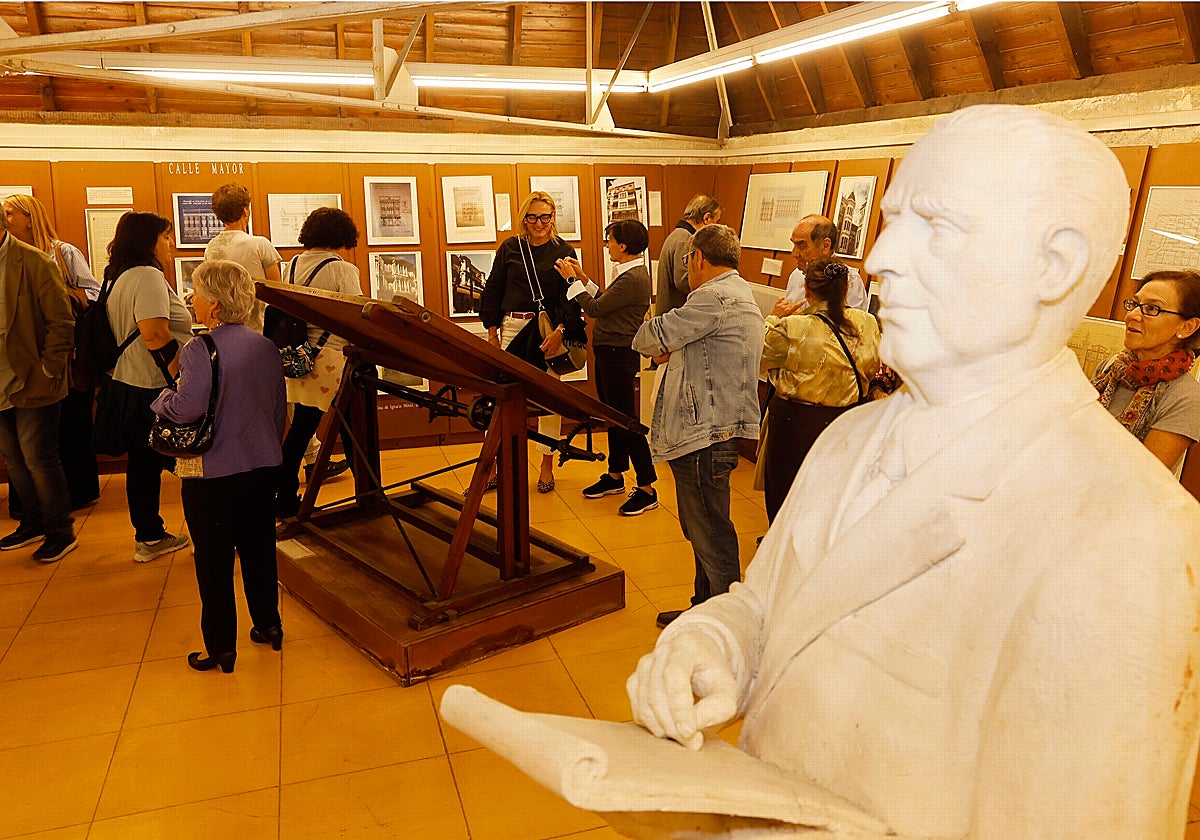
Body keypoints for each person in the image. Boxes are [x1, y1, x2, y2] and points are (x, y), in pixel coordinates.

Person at [625, 105, 1200, 840]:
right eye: (893, 222)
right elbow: (768, 605)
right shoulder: (848, 439)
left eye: (936, 225)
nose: (883, 259)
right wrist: (713, 644)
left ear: (1052, 266)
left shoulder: (1128, 535)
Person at [151, 260, 286, 674]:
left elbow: (188, 407)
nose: (192, 299)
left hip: (214, 472)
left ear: (213, 304)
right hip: (263, 465)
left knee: (213, 561)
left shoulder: (198, 349)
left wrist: (160, 401)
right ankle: (269, 626)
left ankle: (221, 650)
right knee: (259, 550)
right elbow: (279, 411)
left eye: (196, 292)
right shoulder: (265, 346)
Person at [631, 224, 762, 629]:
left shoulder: (712, 298)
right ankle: (704, 611)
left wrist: (662, 331)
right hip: (712, 430)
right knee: (704, 526)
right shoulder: (736, 294)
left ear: (699, 258)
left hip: (705, 434)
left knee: (709, 530)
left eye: (688, 259)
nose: (687, 267)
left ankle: (726, 627)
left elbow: (646, 339)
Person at [759, 256, 880, 523]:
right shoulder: (867, 324)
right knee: (831, 501)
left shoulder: (792, 327)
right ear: (846, 289)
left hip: (796, 427)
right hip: (846, 423)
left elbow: (757, 358)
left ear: (806, 290)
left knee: (787, 499)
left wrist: (771, 319)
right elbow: (872, 367)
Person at [102, 211, 193, 563]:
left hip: (129, 381)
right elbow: (155, 334)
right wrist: (181, 379)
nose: (169, 243)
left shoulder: (119, 274)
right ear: (149, 240)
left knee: (144, 462)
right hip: (153, 385)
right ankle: (195, 530)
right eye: (165, 236)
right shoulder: (148, 276)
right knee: (187, 456)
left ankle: (150, 535)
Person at [478, 191, 583, 493]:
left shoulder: (563, 250)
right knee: (499, 397)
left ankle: (546, 463)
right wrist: (492, 330)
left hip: (547, 330)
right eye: (533, 216)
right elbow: (494, 287)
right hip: (512, 325)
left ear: (553, 218)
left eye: (545, 216)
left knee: (548, 397)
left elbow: (571, 294)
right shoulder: (511, 247)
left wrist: (561, 331)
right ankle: (493, 465)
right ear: (524, 217)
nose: (539, 223)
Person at [3, 193, 102, 510]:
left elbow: (94, 293)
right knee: (26, 445)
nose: (7, 219)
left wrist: (55, 291)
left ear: (30, 217)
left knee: (69, 431)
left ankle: (70, 501)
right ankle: (36, 509)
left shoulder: (61, 253)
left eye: (10, 213)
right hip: (21, 361)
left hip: (64, 360)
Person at [557, 219, 658, 516]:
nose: (608, 245)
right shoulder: (628, 273)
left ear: (623, 245)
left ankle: (647, 488)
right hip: (609, 352)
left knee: (625, 419)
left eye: (610, 240)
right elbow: (605, 300)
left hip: (618, 354)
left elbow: (595, 309)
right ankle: (615, 476)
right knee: (612, 416)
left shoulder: (635, 277)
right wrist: (583, 278)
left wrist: (570, 281)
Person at [0, 201, 78, 563]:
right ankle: (31, 520)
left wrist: (49, 370)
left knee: (38, 459)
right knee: (14, 461)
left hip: (33, 380)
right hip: (0, 384)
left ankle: (60, 530)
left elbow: (61, 322)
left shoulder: (34, 261)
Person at [274, 206, 363, 517]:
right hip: (334, 358)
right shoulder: (342, 269)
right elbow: (356, 317)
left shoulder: (293, 264)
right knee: (354, 431)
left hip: (302, 357)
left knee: (300, 429)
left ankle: (284, 497)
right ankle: (367, 493)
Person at [1091, 269, 1200, 471]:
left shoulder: (1187, 398)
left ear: (1187, 328)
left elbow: (1144, 476)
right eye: (1134, 304)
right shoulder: (1110, 368)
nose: (1132, 315)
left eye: (1151, 309)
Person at [203, 182, 282, 292]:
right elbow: (277, 289)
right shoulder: (260, 244)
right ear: (245, 211)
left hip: (226, 309)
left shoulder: (211, 247)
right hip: (258, 309)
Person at [655, 194, 722, 317]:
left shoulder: (678, 235)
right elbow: (684, 281)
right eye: (716, 222)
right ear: (706, 218)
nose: (716, 227)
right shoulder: (686, 240)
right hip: (674, 317)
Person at [783, 214, 868, 309]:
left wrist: (804, 320)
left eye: (801, 245)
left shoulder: (850, 279)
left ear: (825, 246)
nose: (794, 254)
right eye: (794, 245)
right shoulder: (796, 275)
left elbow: (852, 322)